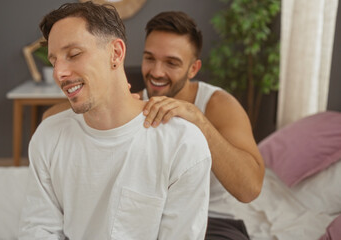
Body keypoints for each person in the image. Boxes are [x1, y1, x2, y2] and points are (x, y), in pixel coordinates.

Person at [43, 10, 265, 240]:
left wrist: (199, 120)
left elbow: (249, 189)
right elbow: (50, 119)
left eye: (171, 63)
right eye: (150, 58)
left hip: (215, 221)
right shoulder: (139, 101)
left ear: (193, 69)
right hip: (149, 216)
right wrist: (108, 101)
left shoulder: (218, 105)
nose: (157, 72)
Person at [19, 2, 212, 239]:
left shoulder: (183, 144)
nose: (58, 73)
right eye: (54, 60)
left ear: (116, 53)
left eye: (74, 54)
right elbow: (38, 229)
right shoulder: (48, 137)